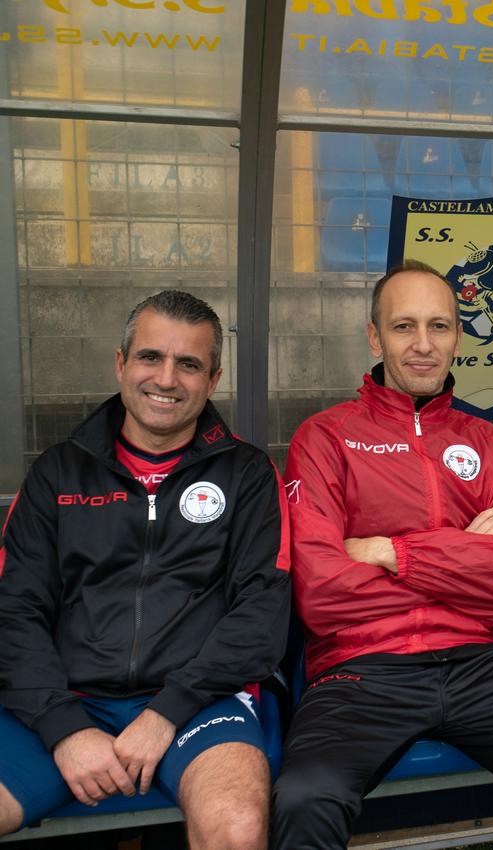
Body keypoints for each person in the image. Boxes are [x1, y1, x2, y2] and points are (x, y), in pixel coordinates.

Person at [272, 260, 493, 850]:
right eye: (403, 326)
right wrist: (465, 552)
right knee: (306, 796)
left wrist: (388, 551)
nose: (423, 344)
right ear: (375, 337)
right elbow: (322, 591)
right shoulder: (324, 437)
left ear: (459, 336)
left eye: (439, 326)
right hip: (362, 668)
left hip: (479, 661)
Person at [0, 290, 291, 849]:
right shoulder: (57, 472)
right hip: (62, 701)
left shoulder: (248, 475)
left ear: (213, 379)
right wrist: (65, 728)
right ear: (121, 363)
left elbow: (260, 616)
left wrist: (165, 714)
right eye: (151, 357)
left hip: (200, 704)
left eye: (189, 364)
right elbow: (15, 611)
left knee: (236, 826)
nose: (166, 378)